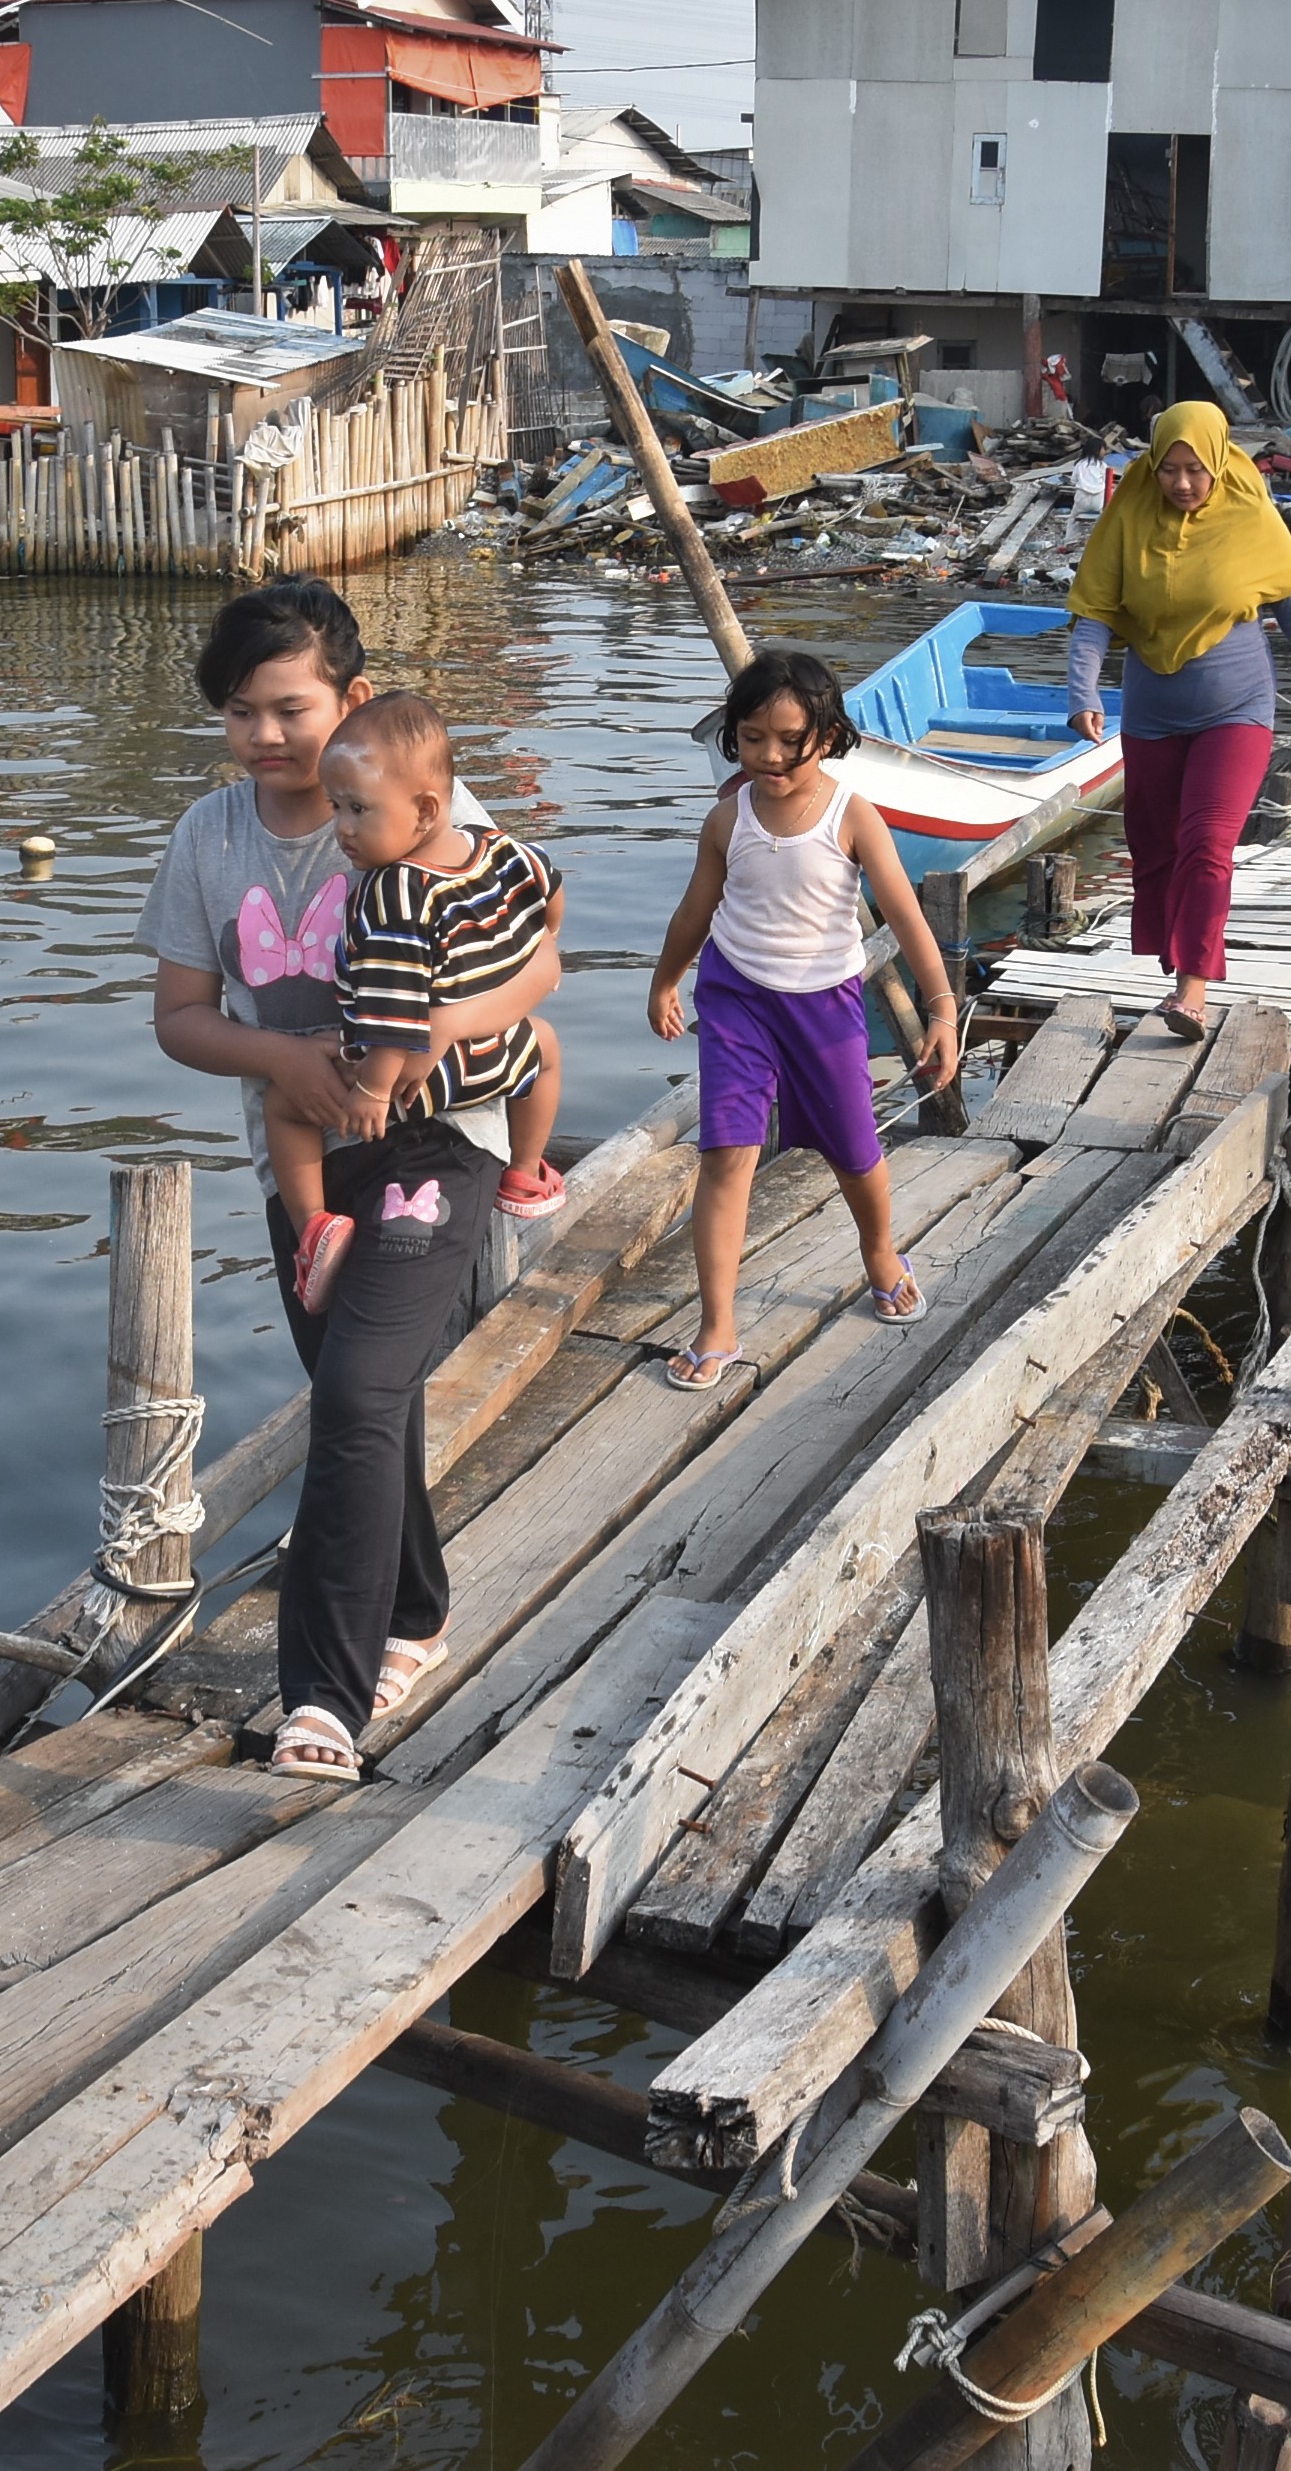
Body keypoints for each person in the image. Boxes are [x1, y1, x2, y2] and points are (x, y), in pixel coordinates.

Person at [140, 581, 556, 1785]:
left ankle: (322, 1696)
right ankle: (416, 1617)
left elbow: (541, 964)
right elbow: (179, 1017)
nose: (266, 740)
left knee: (360, 1389)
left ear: (350, 701)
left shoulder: (409, 797)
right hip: (304, 1154)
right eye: (239, 715)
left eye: (289, 710)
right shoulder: (207, 838)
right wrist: (281, 1057)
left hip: (441, 1141)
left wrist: (424, 1043)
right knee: (357, 1392)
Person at [643, 650, 962, 1394]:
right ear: (734, 736)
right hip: (737, 997)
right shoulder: (728, 818)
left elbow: (904, 914)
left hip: (824, 1004)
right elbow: (697, 908)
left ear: (827, 736)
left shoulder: (853, 816)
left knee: (854, 1150)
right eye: (753, 738)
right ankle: (717, 1323)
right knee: (727, 1152)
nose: (772, 756)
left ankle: (880, 1252)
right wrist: (666, 979)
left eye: (791, 739)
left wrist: (941, 1007)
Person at [1063, 399, 1291, 1040]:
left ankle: (1192, 987)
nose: (1183, 483)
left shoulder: (1250, 518)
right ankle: (1177, 960)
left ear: (1219, 462)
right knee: (1155, 845)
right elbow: (1096, 618)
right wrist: (1083, 693)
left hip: (1237, 710)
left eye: (1196, 469)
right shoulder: (1129, 514)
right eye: (1170, 470)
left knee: (1209, 843)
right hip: (1151, 713)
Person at [274, 692, 568, 1311]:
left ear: (425, 809)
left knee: (284, 1105)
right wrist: (537, 946)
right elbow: (550, 894)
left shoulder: (392, 894)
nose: (342, 829)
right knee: (546, 1043)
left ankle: (311, 1229)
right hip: (500, 1052)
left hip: (419, 1076)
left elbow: (394, 1014)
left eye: (358, 809)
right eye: (337, 808)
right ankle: (526, 1170)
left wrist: (372, 1093)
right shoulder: (501, 849)